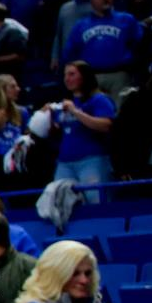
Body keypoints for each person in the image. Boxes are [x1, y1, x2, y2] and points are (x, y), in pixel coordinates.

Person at [46, 62, 117, 200]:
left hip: (92, 160)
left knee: (95, 201)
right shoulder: (63, 104)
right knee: (59, 202)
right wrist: (46, 118)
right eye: (65, 75)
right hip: (64, 162)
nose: (67, 78)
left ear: (85, 76)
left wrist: (75, 111)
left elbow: (105, 125)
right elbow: (55, 134)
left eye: (72, 74)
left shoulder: (99, 99)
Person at [62, 0, 139, 96]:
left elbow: (138, 45)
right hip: (91, 76)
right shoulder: (81, 25)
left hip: (120, 75)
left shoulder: (127, 19)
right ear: (91, 1)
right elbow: (70, 52)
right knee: (92, 111)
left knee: (121, 110)